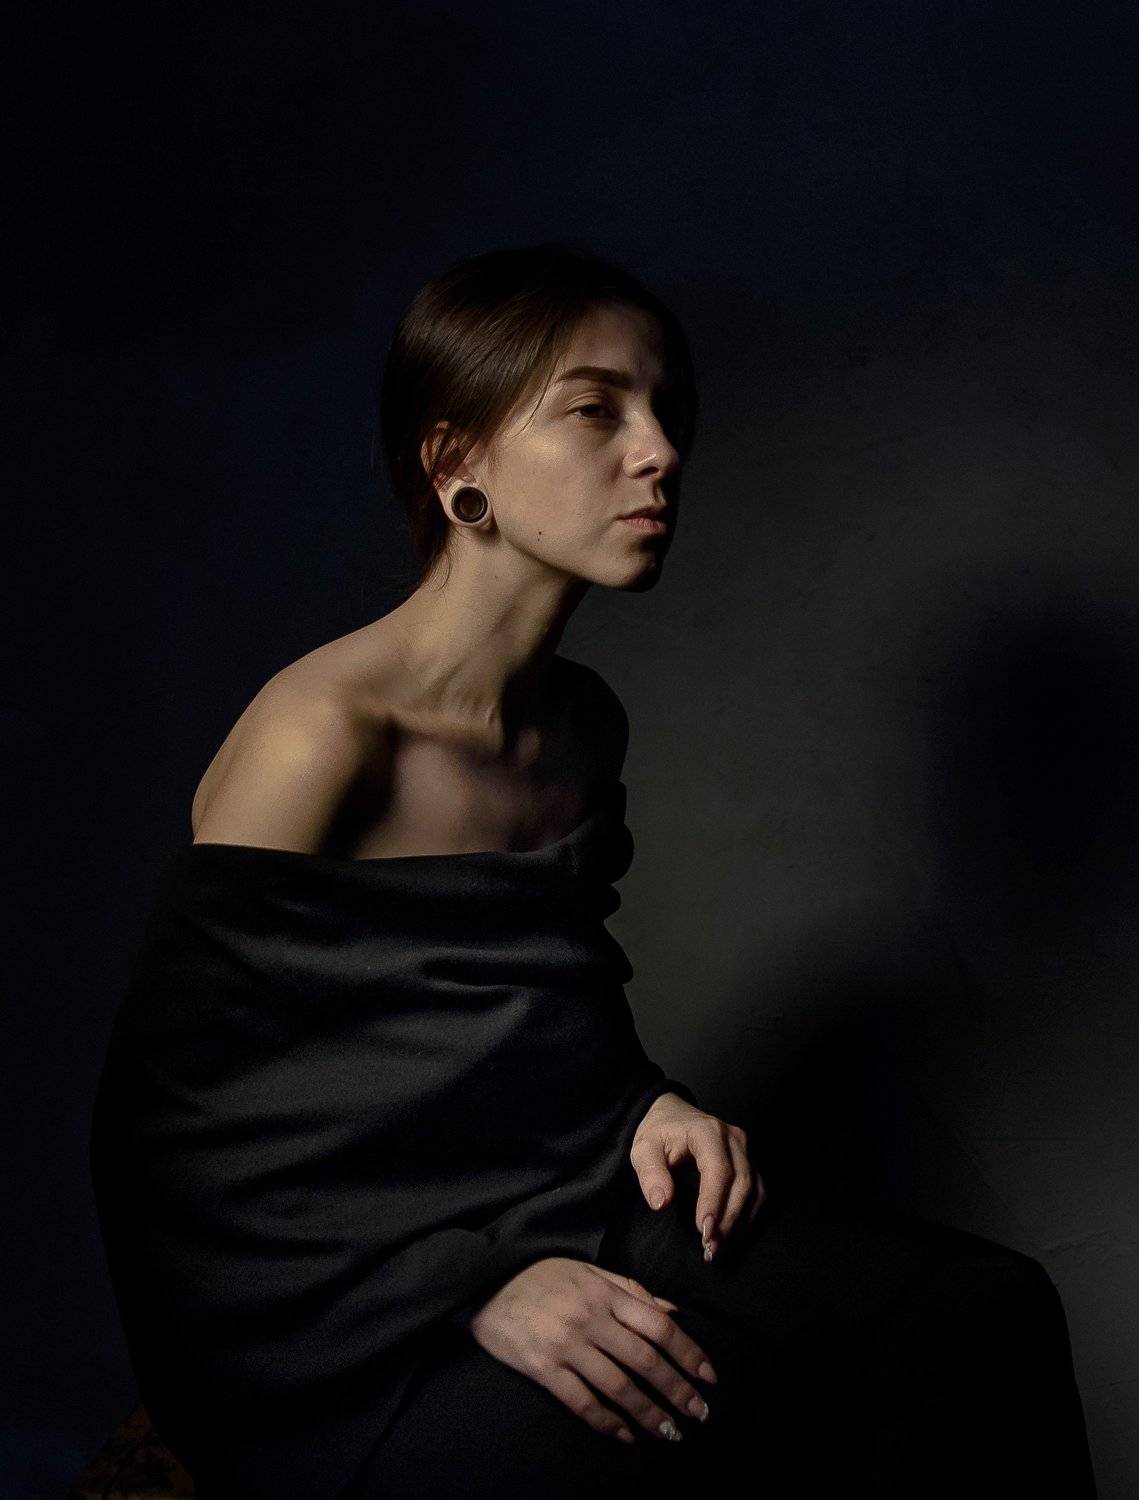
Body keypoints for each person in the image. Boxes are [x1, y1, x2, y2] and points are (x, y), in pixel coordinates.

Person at [92, 242, 1097, 1498]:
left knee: (983, 1312)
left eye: (666, 409)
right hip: (335, 1311)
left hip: (574, 1192)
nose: (659, 452)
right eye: (594, 410)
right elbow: (162, 1154)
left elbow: (527, 1011)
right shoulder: (319, 738)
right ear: (454, 461)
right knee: (682, 1445)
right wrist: (465, 1286)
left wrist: (642, 1107)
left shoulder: (579, 727)